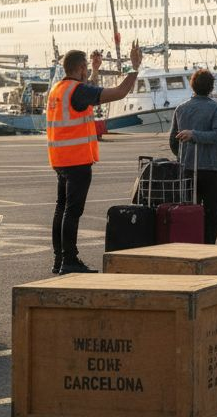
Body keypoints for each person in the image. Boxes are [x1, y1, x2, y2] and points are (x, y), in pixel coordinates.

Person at [46, 44, 141, 274]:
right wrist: (135, 68)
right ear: (80, 68)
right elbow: (118, 93)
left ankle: (59, 259)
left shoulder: (59, 89)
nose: (88, 71)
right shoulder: (77, 91)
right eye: (87, 68)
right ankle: (70, 260)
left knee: (61, 209)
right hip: (77, 160)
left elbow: (88, 91)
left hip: (59, 159)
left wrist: (96, 70)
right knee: (72, 211)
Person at [168, 69, 217, 244]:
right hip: (212, 168)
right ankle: (208, 247)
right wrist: (196, 135)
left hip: (186, 168)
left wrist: (184, 153)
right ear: (211, 88)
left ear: (192, 86)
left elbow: (173, 141)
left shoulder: (181, 109)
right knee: (212, 215)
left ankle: (189, 245)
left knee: (188, 212)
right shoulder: (216, 108)